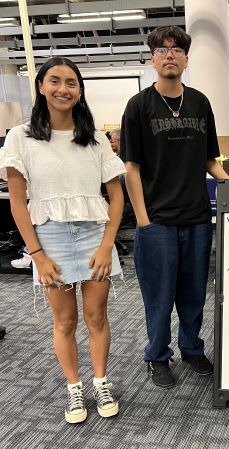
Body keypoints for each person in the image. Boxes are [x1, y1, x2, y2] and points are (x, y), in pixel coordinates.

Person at [121, 26, 229, 390]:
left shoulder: (199, 102)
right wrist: (143, 222)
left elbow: (211, 159)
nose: (170, 54)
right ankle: (157, 356)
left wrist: (227, 181)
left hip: (195, 218)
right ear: (153, 58)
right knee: (159, 298)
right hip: (157, 221)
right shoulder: (139, 106)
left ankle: (192, 349)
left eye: (177, 49)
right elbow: (132, 168)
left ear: (186, 58)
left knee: (194, 294)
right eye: (163, 49)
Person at [0, 57, 125, 424]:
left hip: (94, 234)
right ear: (40, 86)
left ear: (80, 90)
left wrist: (107, 244)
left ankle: (101, 382)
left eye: (71, 82)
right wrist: (36, 254)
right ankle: (74, 390)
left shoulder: (95, 138)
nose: (63, 89)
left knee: (96, 316)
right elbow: (19, 204)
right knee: (65, 321)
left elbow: (116, 196)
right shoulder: (19, 138)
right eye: (54, 81)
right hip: (50, 236)